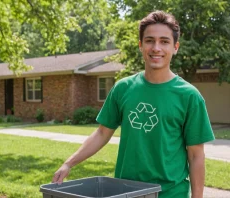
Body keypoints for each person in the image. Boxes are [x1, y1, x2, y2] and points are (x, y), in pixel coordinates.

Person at [52, 10, 215, 198]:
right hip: (126, 192)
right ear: (140, 45)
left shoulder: (189, 96)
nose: (156, 48)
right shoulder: (123, 89)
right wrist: (69, 163)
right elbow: (102, 133)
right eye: (149, 40)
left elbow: (196, 155)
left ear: (175, 47)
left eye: (164, 41)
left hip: (171, 193)